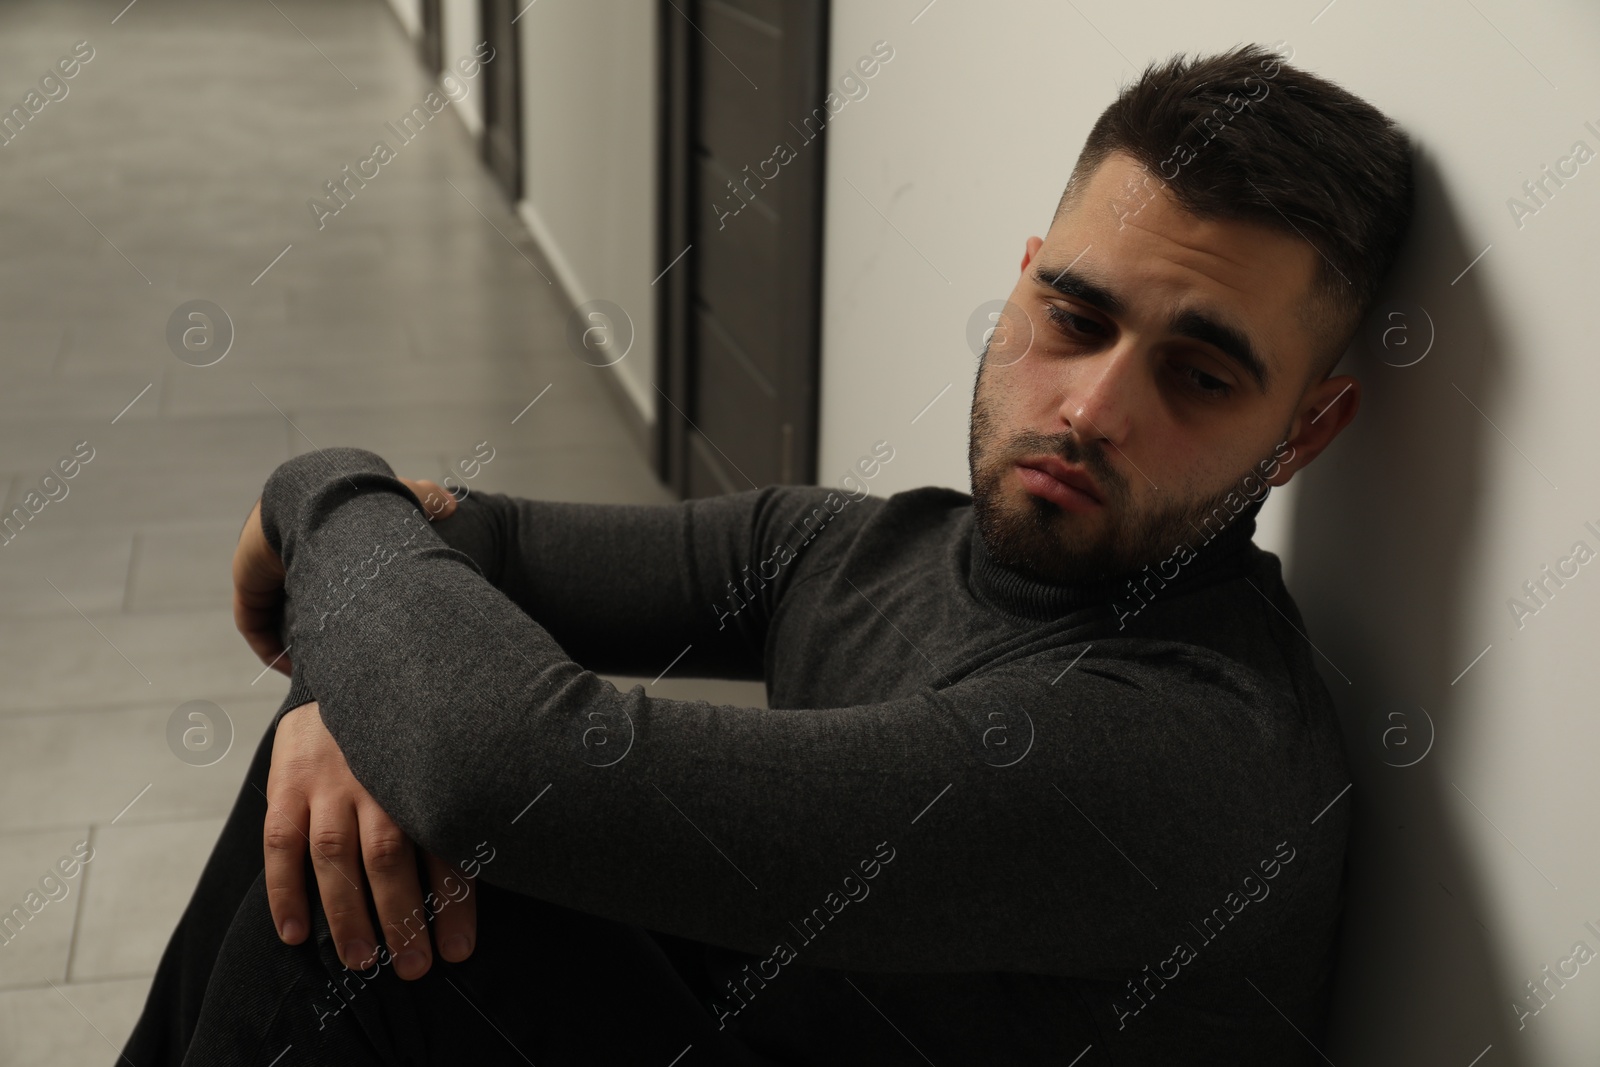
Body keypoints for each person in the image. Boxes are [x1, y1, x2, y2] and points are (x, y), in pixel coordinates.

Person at [121, 42, 1413, 1066]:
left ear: (1306, 431)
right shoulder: (869, 546)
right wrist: (360, 668)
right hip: (781, 1024)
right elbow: (490, 546)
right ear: (1021, 281)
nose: (1088, 409)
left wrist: (312, 490)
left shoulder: (1187, 753)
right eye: (1072, 317)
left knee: (378, 825)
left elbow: (504, 763)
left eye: (1196, 376)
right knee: (352, 744)